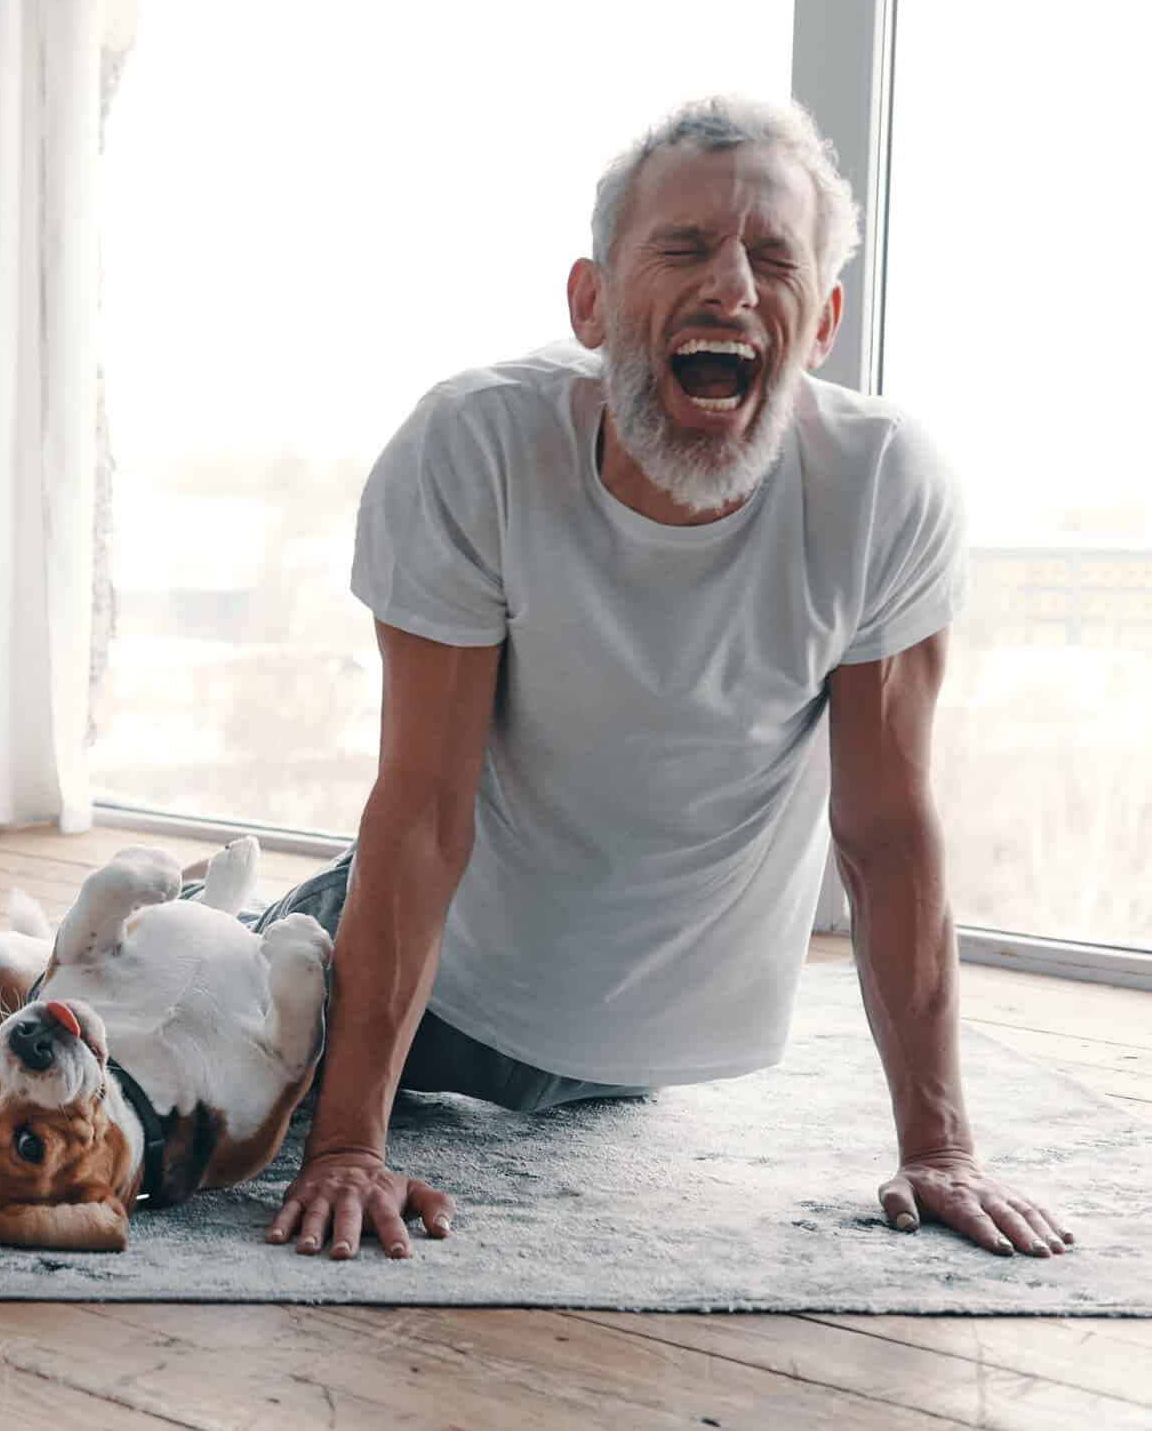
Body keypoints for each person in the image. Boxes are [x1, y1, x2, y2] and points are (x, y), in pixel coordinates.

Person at [250, 95, 1073, 1263]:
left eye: (774, 257)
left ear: (824, 319)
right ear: (590, 303)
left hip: (633, 1058)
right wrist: (346, 1146)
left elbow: (888, 834)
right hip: (435, 982)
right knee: (121, 1049)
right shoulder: (473, 447)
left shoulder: (885, 486)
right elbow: (424, 816)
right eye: (684, 249)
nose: (732, 285)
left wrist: (939, 1146)